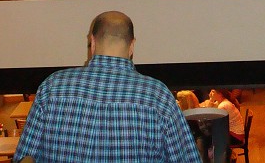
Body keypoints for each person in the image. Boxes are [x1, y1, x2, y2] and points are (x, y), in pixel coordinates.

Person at [13, 11, 201, 162]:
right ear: (132, 46)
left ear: (92, 42)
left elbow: (24, 157)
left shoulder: (52, 88)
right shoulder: (158, 96)